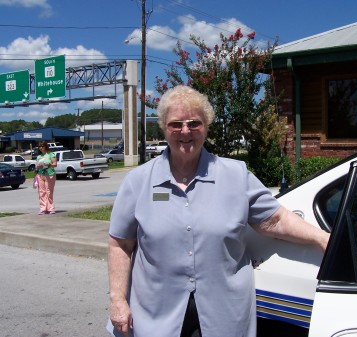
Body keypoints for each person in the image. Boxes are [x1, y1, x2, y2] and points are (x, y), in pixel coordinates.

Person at [107, 85, 330, 337]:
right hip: (155, 315)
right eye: (175, 124)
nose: (185, 131)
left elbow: (275, 219)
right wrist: (118, 300)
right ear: (163, 127)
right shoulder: (138, 181)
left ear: (207, 126)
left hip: (223, 314)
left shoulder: (236, 175)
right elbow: (120, 245)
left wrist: (321, 238)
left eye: (194, 123)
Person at [35, 141, 57, 215]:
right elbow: (36, 166)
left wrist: (49, 164)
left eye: (42, 146)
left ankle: (50, 208)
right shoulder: (39, 156)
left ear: (46, 146)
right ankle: (43, 208)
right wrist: (38, 166)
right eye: (39, 147)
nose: (41, 148)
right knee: (42, 192)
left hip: (49, 174)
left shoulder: (51, 155)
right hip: (41, 175)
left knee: (49, 191)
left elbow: (55, 164)